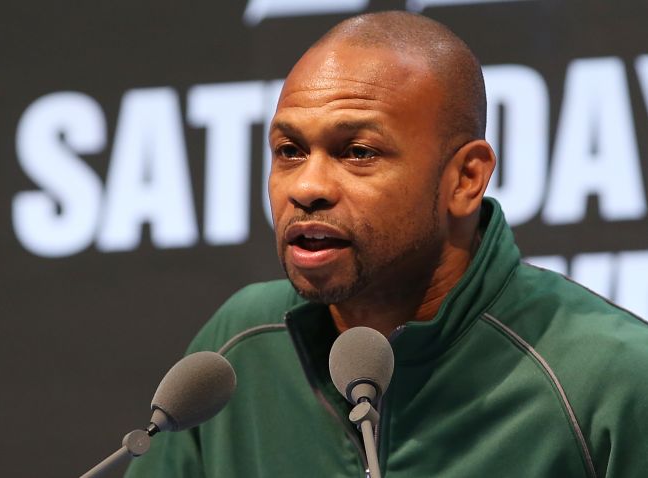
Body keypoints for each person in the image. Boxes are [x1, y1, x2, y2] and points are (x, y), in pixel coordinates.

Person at [125, 11, 648, 477]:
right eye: (289, 150)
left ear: (466, 178)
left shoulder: (612, 380)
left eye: (357, 151)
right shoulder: (240, 347)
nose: (307, 188)